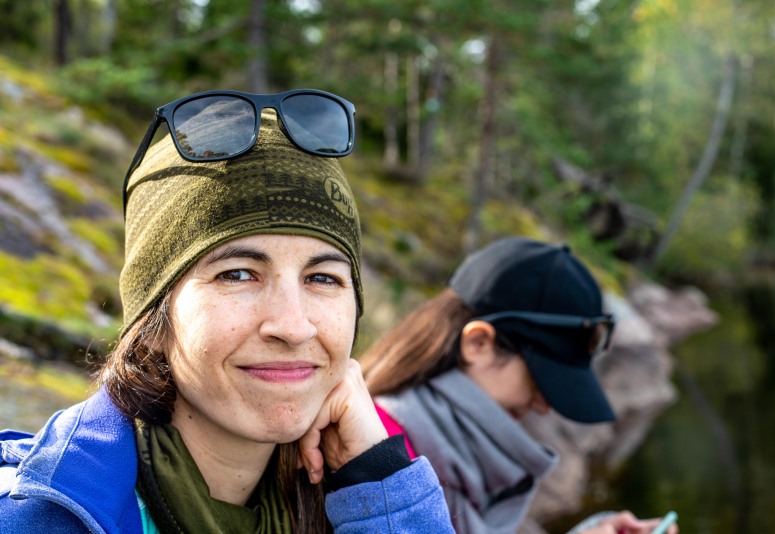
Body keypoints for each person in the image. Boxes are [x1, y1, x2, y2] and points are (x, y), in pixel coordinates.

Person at [0, 89, 455, 533]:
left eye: (322, 278)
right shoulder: (38, 516)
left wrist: (376, 480)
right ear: (153, 321)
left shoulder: (357, 505)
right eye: (238, 274)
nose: (293, 327)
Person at [360, 236, 679, 534]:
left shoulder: (454, 458)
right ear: (479, 344)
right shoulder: (381, 455)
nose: (544, 406)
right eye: (541, 381)